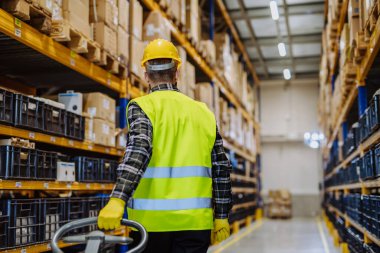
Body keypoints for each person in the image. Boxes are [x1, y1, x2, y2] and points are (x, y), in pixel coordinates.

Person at [98, 39, 232, 253]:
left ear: (145, 74)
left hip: (150, 226)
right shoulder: (204, 112)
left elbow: (138, 151)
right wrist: (222, 216)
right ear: (177, 72)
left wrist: (117, 198)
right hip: (196, 224)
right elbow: (220, 168)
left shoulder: (142, 107)